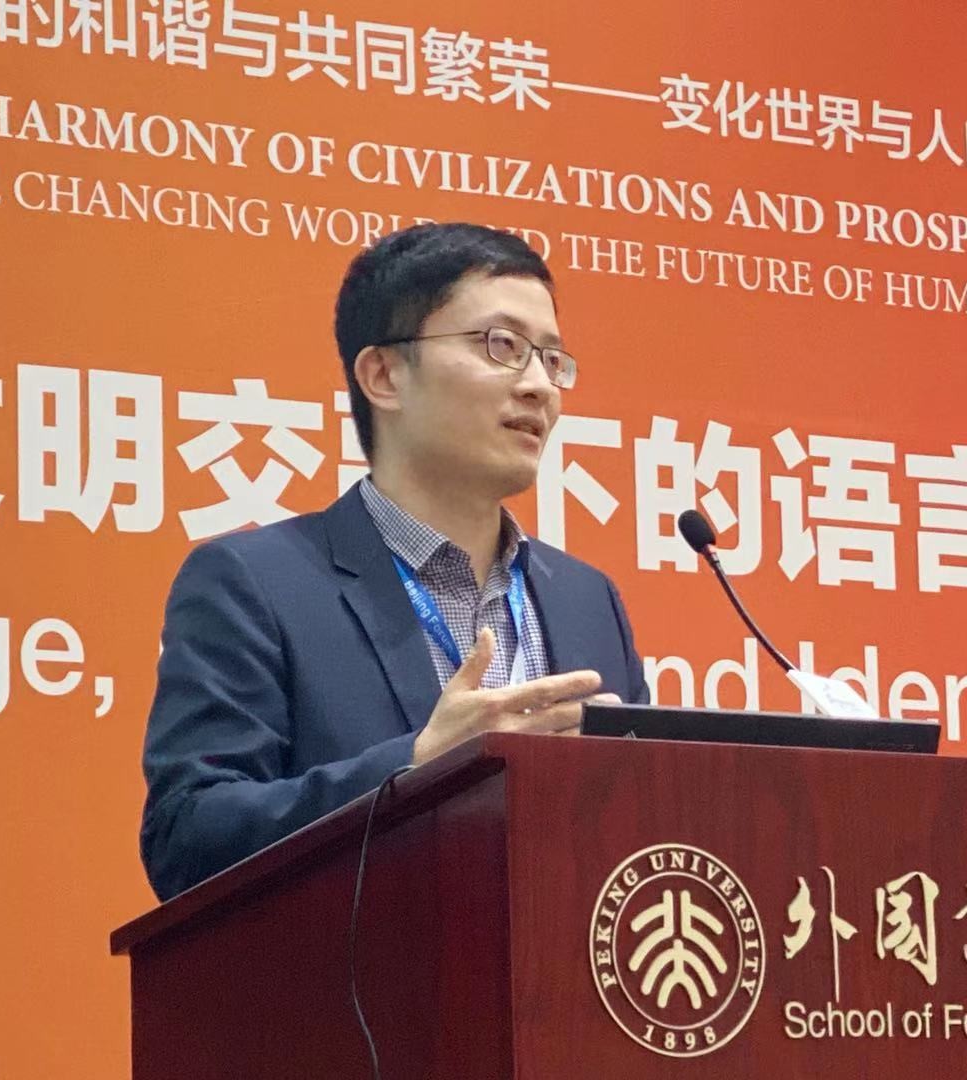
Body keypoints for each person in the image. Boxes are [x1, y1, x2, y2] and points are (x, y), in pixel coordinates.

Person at [140, 223, 649, 901]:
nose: (539, 387)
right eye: (501, 346)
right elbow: (186, 836)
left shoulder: (587, 600)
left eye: (551, 358)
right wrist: (415, 767)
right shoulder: (255, 584)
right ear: (383, 376)